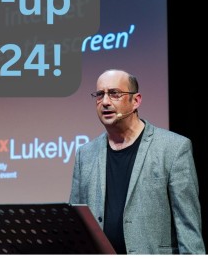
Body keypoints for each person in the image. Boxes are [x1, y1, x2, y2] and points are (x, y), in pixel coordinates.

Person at [69, 69, 205, 254]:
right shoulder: (85, 154)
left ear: (136, 101)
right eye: (100, 95)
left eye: (115, 94)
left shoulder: (173, 148)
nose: (106, 102)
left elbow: (188, 227)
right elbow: (77, 225)